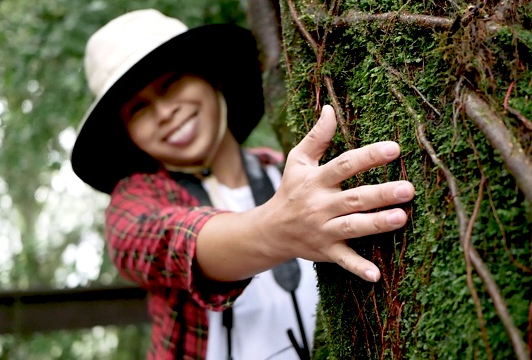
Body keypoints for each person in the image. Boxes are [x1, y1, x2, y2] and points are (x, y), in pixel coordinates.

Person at [70, 9, 415, 360]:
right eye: (139, 109)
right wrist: (282, 229)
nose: (163, 113)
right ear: (129, 134)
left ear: (210, 77)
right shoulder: (135, 201)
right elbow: (172, 242)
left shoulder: (286, 169)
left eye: (171, 82)